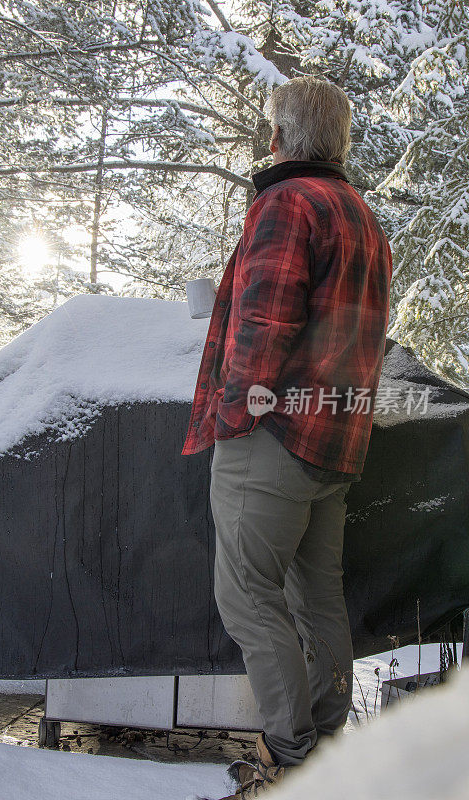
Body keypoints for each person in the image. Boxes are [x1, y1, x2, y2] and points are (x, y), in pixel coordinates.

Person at [181, 76, 393, 798]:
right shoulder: (360, 214)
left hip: (274, 437)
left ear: (281, 134)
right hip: (337, 438)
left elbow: (264, 326)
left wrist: (235, 414)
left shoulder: (286, 203)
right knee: (318, 600)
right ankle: (329, 743)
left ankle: (289, 757)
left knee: (247, 595)